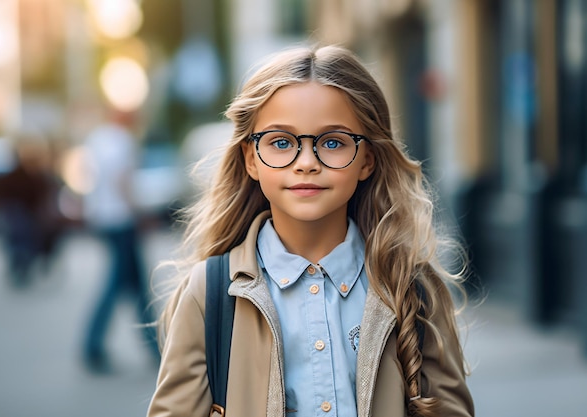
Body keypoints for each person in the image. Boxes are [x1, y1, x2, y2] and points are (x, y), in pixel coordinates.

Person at [147, 45, 474, 417]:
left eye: (332, 142)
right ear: (251, 159)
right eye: (281, 142)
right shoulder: (210, 292)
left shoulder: (411, 285)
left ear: (367, 159)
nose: (306, 163)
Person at [81, 113, 158, 373]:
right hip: (122, 220)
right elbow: (122, 181)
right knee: (121, 285)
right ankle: (93, 345)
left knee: (135, 286)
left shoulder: (97, 139)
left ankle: (156, 348)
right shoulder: (124, 141)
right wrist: (138, 213)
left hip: (103, 218)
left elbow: (88, 176)